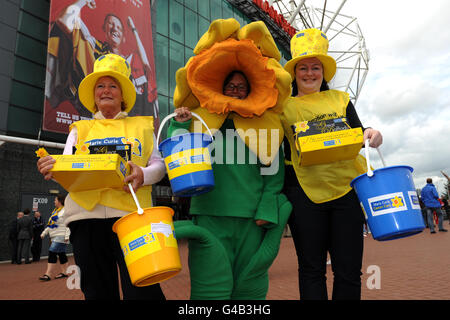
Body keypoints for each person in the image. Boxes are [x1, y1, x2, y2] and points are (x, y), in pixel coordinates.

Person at [37, 54, 166, 300]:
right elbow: (66, 169)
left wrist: (143, 174)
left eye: (112, 85)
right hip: (86, 220)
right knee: (97, 292)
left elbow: (159, 166)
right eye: (100, 86)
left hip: (134, 219)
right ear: (94, 95)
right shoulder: (79, 130)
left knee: (144, 292)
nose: (106, 90)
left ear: (123, 94)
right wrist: (53, 169)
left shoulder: (144, 126)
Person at [168, 70, 289, 299]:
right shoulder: (201, 121)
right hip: (208, 213)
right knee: (209, 287)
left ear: (250, 90)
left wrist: (266, 209)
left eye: (241, 86)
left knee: (247, 287)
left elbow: (274, 174)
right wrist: (180, 124)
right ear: (221, 89)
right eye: (230, 86)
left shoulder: (264, 125)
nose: (235, 90)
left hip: (251, 217)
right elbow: (178, 152)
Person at [281, 28, 383, 300]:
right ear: (294, 72)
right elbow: (271, 149)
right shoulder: (282, 107)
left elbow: (360, 134)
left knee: (349, 270)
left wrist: (373, 134)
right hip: (304, 193)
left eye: (316, 67)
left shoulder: (340, 99)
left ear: (323, 71)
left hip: (346, 191)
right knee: (311, 269)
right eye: (303, 67)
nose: (310, 73)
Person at [46, 0, 157, 119]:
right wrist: (84, 1)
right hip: (93, 116)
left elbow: (146, 64)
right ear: (104, 30)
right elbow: (64, 21)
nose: (115, 28)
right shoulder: (93, 47)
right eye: (110, 24)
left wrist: (134, 29)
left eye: (119, 27)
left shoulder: (132, 62)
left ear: (124, 37)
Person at [39, 194, 71, 281]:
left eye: (55, 200)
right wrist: (44, 233)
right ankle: (64, 272)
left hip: (61, 235)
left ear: (60, 201)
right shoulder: (55, 212)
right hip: (54, 236)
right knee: (61, 253)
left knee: (52, 252)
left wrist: (67, 235)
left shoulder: (65, 211)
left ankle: (48, 274)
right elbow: (50, 225)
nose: (54, 202)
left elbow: (68, 224)